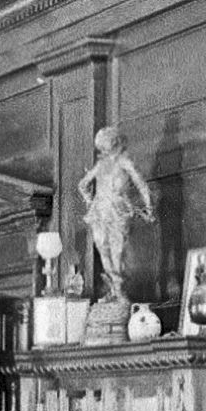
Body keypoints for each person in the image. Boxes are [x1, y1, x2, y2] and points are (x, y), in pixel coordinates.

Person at [78, 127, 155, 297]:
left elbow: (142, 185)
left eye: (108, 143)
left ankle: (119, 288)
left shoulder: (124, 162)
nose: (105, 148)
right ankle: (115, 287)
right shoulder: (101, 165)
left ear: (115, 142)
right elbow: (83, 184)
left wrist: (148, 208)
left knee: (117, 251)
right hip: (100, 211)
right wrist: (90, 201)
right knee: (102, 247)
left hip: (118, 210)